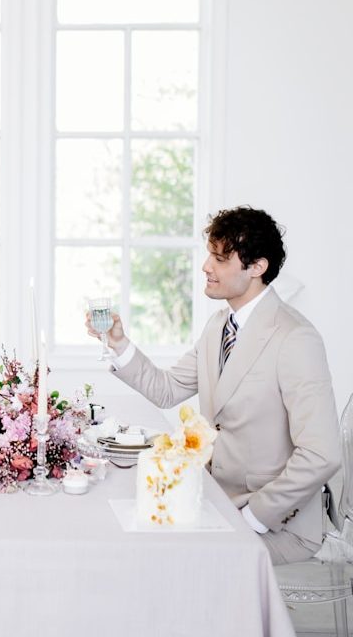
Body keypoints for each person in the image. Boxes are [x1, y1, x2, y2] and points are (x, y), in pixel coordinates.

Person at [87, 206, 341, 564]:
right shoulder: (219, 326)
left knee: (172, 562)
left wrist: (254, 518)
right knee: (135, 537)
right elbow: (167, 389)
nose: (206, 267)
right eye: (210, 255)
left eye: (220, 259)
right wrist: (118, 343)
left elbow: (322, 454)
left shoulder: (295, 338)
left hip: (277, 523)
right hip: (217, 501)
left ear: (257, 267)